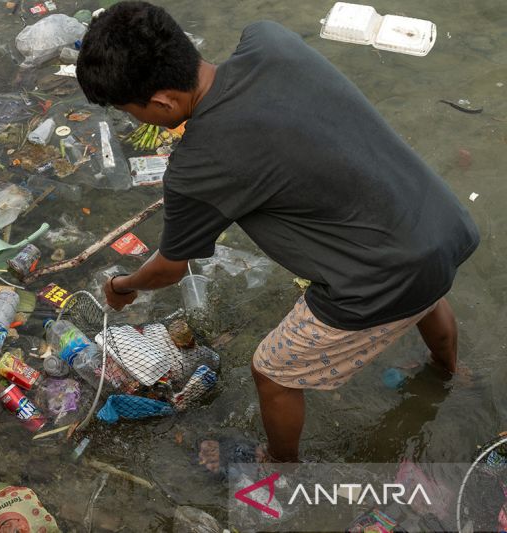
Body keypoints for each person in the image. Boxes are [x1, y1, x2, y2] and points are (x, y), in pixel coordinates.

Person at [76, 2, 480, 462]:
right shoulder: (269, 39)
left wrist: (122, 286)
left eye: (131, 112)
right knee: (424, 289)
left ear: (163, 101)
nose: (136, 121)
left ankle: (282, 463)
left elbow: (171, 268)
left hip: (385, 276)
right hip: (438, 227)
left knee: (271, 371)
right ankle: (449, 372)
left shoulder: (198, 164)